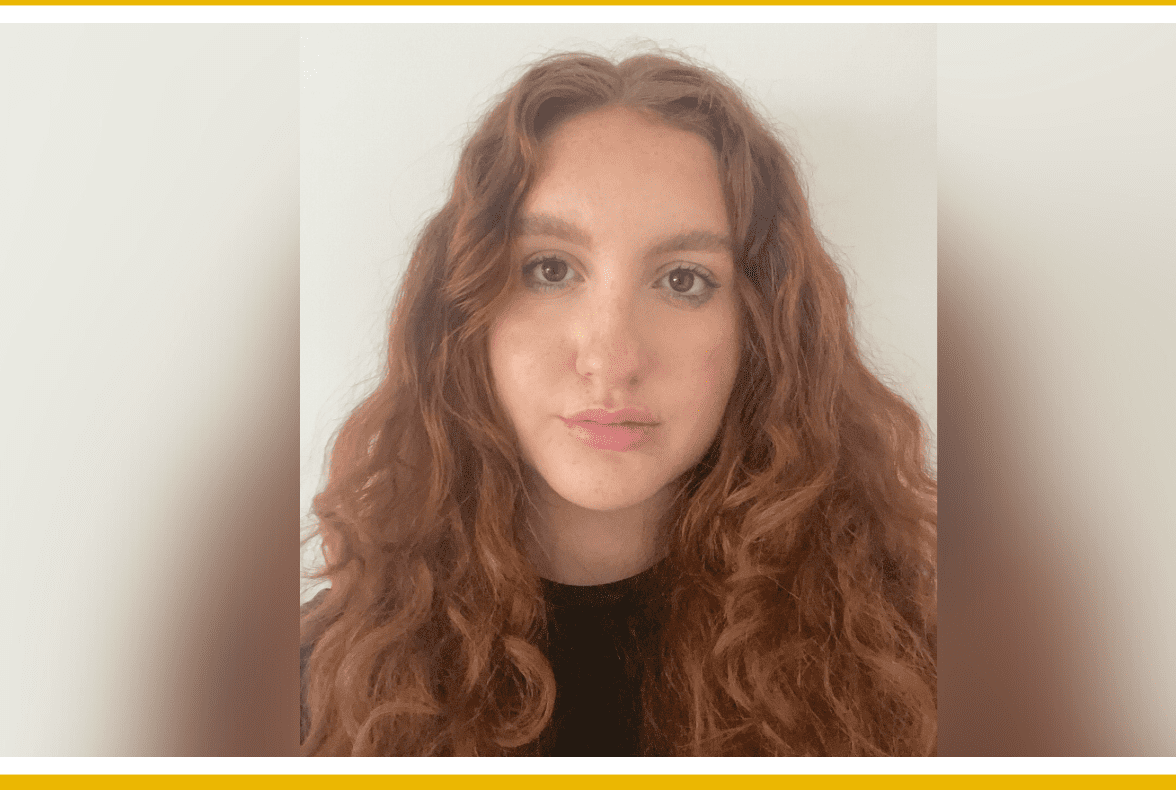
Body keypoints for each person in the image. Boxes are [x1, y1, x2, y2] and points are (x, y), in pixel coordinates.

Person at [300, 50, 936, 757]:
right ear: (462, 317)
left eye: (684, 280)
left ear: (763, 332)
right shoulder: (317, 685)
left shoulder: (912, 671)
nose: (610, 358)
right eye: (549, 269)